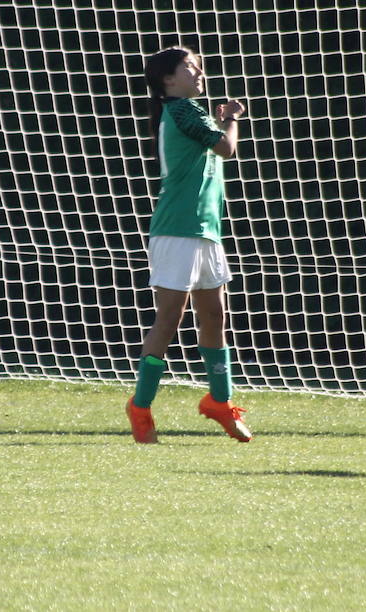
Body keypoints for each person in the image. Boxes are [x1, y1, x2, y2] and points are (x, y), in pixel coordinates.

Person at [125, 45, 252, 444]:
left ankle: (220, 402)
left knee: (215, 316)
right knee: (170, 319)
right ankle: (140, 407)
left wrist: (217, 121)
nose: (199, 72)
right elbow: (226, 149)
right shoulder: (180, 110)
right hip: (177, 229)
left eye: (198, 66)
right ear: (167, 79)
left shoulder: (191, 113)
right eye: (189, 67)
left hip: (205, 230)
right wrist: (230, 120)